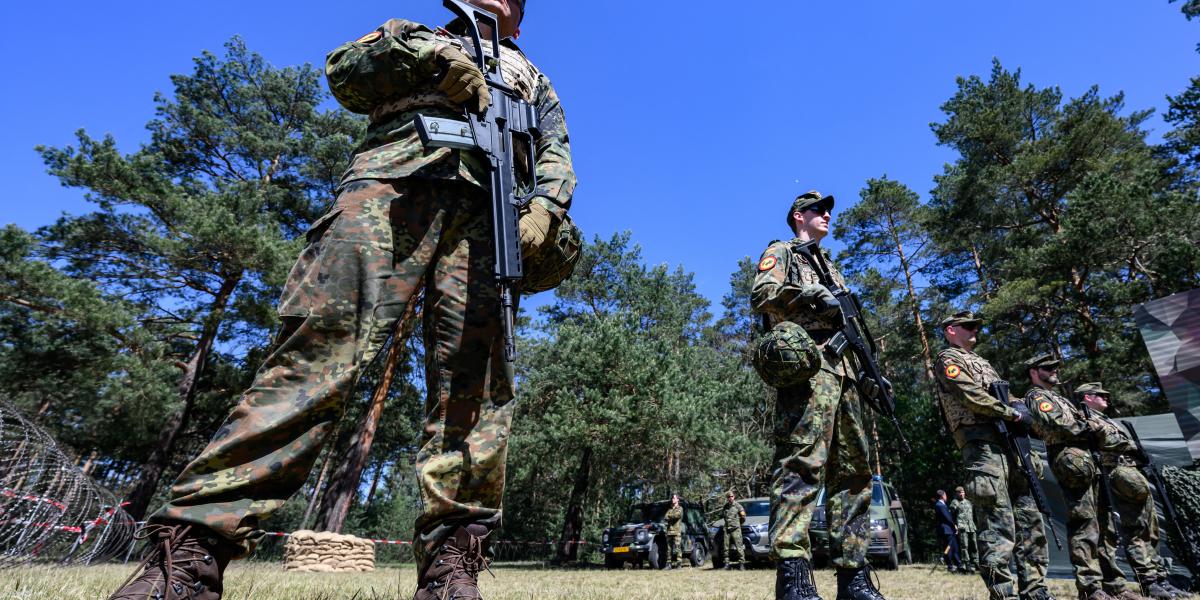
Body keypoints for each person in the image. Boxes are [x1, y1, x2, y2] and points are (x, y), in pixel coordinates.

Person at [107, 1, 577, 599]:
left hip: (489, 220)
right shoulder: (417, 34)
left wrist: (545, 207)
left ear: (519, 18)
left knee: (475, 391)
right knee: (317, 356)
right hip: (388, 191)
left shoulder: (535, 80)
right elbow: (344, 72)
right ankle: (193, 550)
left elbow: (557, 153)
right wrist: (429, 58)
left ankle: (451, 567)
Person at [752, 191, 886, 600]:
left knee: (855, 473)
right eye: (817, 210)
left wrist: (869, 376)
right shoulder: (783, 251)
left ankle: (854, 577)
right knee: (801, 464)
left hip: (844, 375)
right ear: (798, 216)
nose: (827, 215)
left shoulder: (830, 265)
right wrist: (809, 295)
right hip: (809, 369)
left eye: (828, 210)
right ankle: (793, 576)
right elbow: (762, 295)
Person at [933, 311, 1057, 600]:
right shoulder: (948, 360)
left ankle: (1035, 589)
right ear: (951, 330)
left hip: (1010, 444)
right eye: (969, 326)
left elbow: (1007, 396)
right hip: (982, 445)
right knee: (996, 520)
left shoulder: (984, 363)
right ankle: (1003, 593)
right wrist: (1012, 412)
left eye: (977, 326)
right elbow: (970, 395)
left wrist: (1021, 408)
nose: (976, 330)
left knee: (1029, 519)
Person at [1021, 355, 1144, 600]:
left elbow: (1081, 423)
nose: (1055, 371)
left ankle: (1115, 584)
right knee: (1084, 522)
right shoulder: (1037, 396)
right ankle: (1090, 586)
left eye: (1056, 367)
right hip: (1069, 458)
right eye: (1048, 368)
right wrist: (1091, 428)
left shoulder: (1059, 398)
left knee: (1105, 524)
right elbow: (1061, 424)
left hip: (1088, 459)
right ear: (1034, 372)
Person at [1076, 383, 1191, 600]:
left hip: (1130, 474)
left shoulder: (1107, 419)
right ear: (1087, 397)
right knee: (1136, 529)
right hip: (1117, 474)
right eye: (1100, 395)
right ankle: (1148, 580)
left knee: (1149, 528)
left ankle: (1159, 577)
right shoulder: (1085, 417)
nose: (1106, 398)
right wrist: (1133, 447)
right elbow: (1108, 441)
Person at [934, 490, 965, 573]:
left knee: (952, 548)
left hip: (947, 530)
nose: (946, 497)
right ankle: (952, 566)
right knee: (949, 548)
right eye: (945, 495)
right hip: (946, 530)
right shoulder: (940, 505)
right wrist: (954, 525)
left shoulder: (941, 504)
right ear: (942, 496)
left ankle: (957, 565)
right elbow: (947, 517)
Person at [949, 486, 979, 573]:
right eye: (960, 493)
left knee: (974, 545)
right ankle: (967, 564)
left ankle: (976, 563)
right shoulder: (954, 503)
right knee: (964, 546)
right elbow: (951, 516)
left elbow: (973, 515)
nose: (962, 494)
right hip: (962, 527)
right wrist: (954, 525)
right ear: (957, 494)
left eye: (963, 492)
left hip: (971, 527)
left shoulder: (969, 502)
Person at [721, 490, 747, 571]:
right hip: (727, 530)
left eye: (731, 496)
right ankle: (727, 564)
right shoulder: (725, 507)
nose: (730, 498)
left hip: (736, 529)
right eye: (729, 497)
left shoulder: (738, 506)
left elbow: (743, 517)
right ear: (727, 498)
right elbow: (724, 517)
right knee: (726, 547)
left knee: (739, 547)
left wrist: (738, 524)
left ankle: (742, 564)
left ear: (734, 497)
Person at [665, 494, 684, 570]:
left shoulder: (680, 508)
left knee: (677, 548)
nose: (672, 499)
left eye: (674, 498)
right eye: (672, 498)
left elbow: (677, 516)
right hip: (669, 531)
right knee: (669, 549)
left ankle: (679, 564)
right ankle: (669, 564)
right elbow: (665, 517)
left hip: (676, 531)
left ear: (677, 500)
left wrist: (670, 516)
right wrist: (670, 515)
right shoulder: (669, 509)